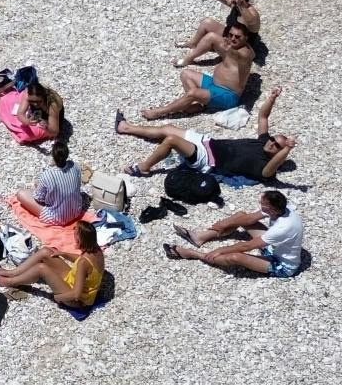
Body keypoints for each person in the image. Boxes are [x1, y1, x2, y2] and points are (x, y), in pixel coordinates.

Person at [115, 85, 297, 180]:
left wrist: (286, 150)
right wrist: (272, 98)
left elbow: (268, 172)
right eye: (273, 139)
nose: (271, 143)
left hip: (206, 160)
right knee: (168, 128)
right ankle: (126, 128)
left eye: (276, 146)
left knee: (171, 140)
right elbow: (263, 117)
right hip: (208, 143)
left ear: (279, 153)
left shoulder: (265, 166)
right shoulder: (263, 142)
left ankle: (144, 168)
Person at [163, 189, 307, 277]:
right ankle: (200, 237)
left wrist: (220, 249)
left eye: (263, 205)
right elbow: (249, 218)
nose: (260, 206)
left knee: (234, 257)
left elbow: (247, 246)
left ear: (273, 210)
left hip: (283, 265)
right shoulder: (282, 209)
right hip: (275, 247)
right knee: (241, 216)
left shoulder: (282, 227)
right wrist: (225, 223)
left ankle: (193, 254)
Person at [143, 19, 254, 120]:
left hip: (228, 96)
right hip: (213, 84)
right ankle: (198, 104)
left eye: (237, 37)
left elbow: (241, 57)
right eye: (231, 35)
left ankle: (159, 112)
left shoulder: (245, 53)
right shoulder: (231, 46)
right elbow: (219, 41)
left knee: (193, 93)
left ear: (246, 38)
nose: (233, 38)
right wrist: (227, 47)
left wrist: (230, 50)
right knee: (185, 74)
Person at [0, 219, 105, 307]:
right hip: (73, 280)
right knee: (46, 251)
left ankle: (11, 281)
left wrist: (58, 298)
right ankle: (13, 273)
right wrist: (63, 254)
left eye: (75, 236)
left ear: (80, 240)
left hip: (78, 301)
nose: (74, 238)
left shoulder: (83, 264)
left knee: (41, 268)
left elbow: (76, 295)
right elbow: (83, 261)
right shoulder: (96, 250)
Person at [175, 0, 262, 61]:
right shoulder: (234, 3)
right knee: (206, 22)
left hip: (242, 48)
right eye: (233, 1)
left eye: (238, 2)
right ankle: (193, 43)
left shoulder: (252, 14)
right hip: (230, 36)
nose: (233, 4)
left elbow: (251, 20)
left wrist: (239, 4)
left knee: (211, 37)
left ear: (245, 1)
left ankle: (187, 59)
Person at [16, 137, 87, 227]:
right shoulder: (75, 166)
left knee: (21, 194)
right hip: (76, 211)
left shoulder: (47, 175)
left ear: (53, 156)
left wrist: (39, 186)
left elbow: (39, 198)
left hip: (58, 218)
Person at [0, 72, 64, 145]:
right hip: (36, 114)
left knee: (27, 135)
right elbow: (20, 113)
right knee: (5, 101)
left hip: (50, 121)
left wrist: (46, 126)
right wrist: (27, 121)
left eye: (38, 102)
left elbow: (55, 131)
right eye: (31, 101)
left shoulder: (52, 105)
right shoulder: (27, 93)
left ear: (44, 97)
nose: (35, 104)